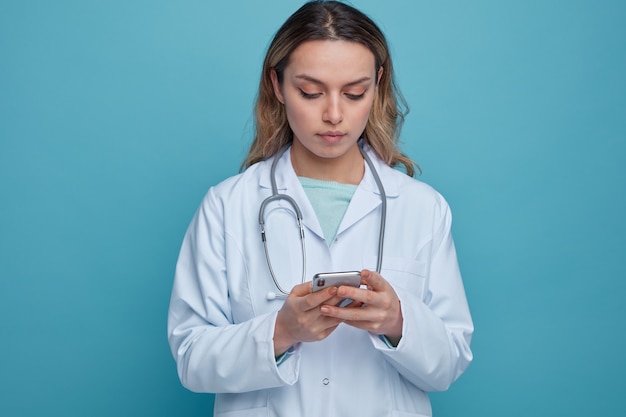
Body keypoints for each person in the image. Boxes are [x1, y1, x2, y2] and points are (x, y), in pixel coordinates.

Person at [167, 1, 473, 416]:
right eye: (310, 92)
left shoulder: (423, 208)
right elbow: (190, 358)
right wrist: (280, 331)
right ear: (277, 84)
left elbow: (449, 364)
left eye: (354, 93)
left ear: (378, 85)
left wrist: (399, 321)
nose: (333, 114)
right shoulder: (227, 206)